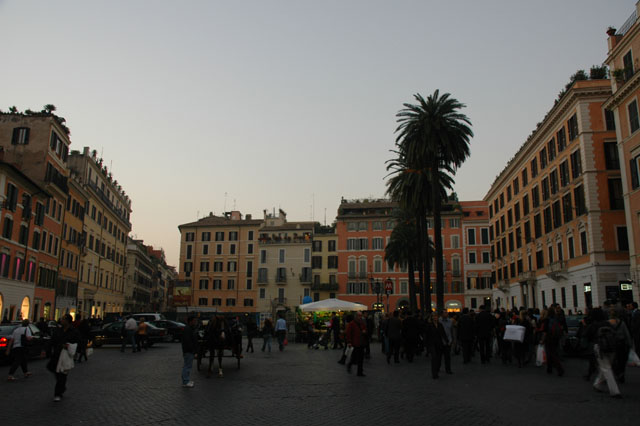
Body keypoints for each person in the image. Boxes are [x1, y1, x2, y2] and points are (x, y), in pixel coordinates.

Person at [48, 314, 80, 401]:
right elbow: (52, 340)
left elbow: (77, 342)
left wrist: (69, 346)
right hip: (56, 354)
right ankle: (61, 387)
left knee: (62, 374)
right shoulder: (58, 330)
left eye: (63, 319)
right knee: (53, 369)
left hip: (66, 354)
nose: (61, 320)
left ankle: (57, 393)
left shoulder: (73, 331)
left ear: (67, 321)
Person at [426, 313, 447, 379]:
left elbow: (443, 334)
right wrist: (427, 345)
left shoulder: (440, 325)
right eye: (434, 316)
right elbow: (427, 335)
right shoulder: (429, 325)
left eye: (436, 316)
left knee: (439, 358)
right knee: (434, 358)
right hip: (432, 344)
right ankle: (434, 373)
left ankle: (437, 369)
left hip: (439, 343)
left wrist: (447, 341)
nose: (435, 318)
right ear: (432, 317)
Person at [345, 312, 366, 377]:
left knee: (361, 358)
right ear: (356, 316)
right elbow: (348, 334)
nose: (360, 317)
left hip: (361, 343)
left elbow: (365, 330)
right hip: (355, 343)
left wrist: (364, 331)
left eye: (361, 316)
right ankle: (350, 364)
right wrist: (349, 342)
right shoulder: (351, 324)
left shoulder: (362, 323)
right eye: (359, 316)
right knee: (354, 358)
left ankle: (360, 372)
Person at [181, 316, 198, 388]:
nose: (195, 322)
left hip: (188, 350)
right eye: (194, 321)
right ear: (190, 321)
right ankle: (185, 381)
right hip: (188, 351)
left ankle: (186, 380)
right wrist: (193, 350)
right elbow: (188, 341)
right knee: (187, 366)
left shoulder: (188, 328)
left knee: (187, 366)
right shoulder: (188, 329)